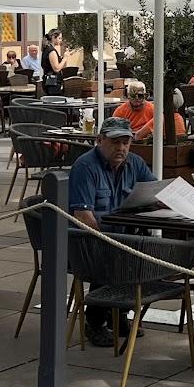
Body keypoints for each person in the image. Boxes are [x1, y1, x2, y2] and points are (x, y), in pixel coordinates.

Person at [69, 116, 156, 346]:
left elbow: (156, 193)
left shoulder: (135, 163)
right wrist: (106, 242)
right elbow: (82, 216)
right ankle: (95, 322)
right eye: (115, 142)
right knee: (115, 254)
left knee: (138, 249)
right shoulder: (85, 167)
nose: (122, 148)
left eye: (126, 142)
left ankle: (119, 313)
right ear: (100, 140)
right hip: (86, 241)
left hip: (122, 235)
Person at [41, 28, 71, 94]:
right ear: (53, 37)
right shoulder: (51, 51)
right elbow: (56, 69)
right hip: (52, 83)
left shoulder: (46, 49)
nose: (61, 40)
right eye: (59, 38)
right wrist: (65, 58)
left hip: (48, 81)